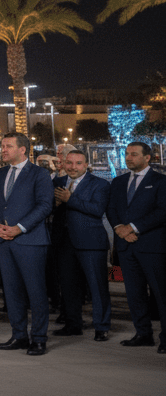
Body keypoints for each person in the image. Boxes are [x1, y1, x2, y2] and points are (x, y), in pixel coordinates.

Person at [0, 132, 54, 355]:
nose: (3, 150)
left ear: (22, 149)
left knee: (36, 292)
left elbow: (45, 205)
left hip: (30, 241)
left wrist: (20, 228)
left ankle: (39, 338)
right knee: (12, 291)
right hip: (3, 240)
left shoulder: (39, 174)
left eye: (8, 146)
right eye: (2, 146)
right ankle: (19, 336)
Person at [107, 142, 166, 352]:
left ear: (147, 158)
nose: (128, 158)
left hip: (152, 247)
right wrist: (119, 228)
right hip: (126, 247)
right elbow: (111, 209)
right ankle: (143, 334)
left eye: (134, 154)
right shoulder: (118, 182)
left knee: (161, 294)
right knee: (134, 294)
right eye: (126, 154)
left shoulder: (160, 181)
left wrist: (132, 227)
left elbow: (162, 211)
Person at [48, 149, 110, 340]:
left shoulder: (100, 184)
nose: (73, 167)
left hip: (91, 242)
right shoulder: (57, 182)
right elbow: (47, 208)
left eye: (78, 163)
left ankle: (101, 327)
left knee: (97, 287)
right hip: (63, 242)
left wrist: (70, 199)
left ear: (86, 165)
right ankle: (72, 325)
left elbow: (97, 209)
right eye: (69, 163)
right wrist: (55, 204)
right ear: (64, 164)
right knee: (68, 286)